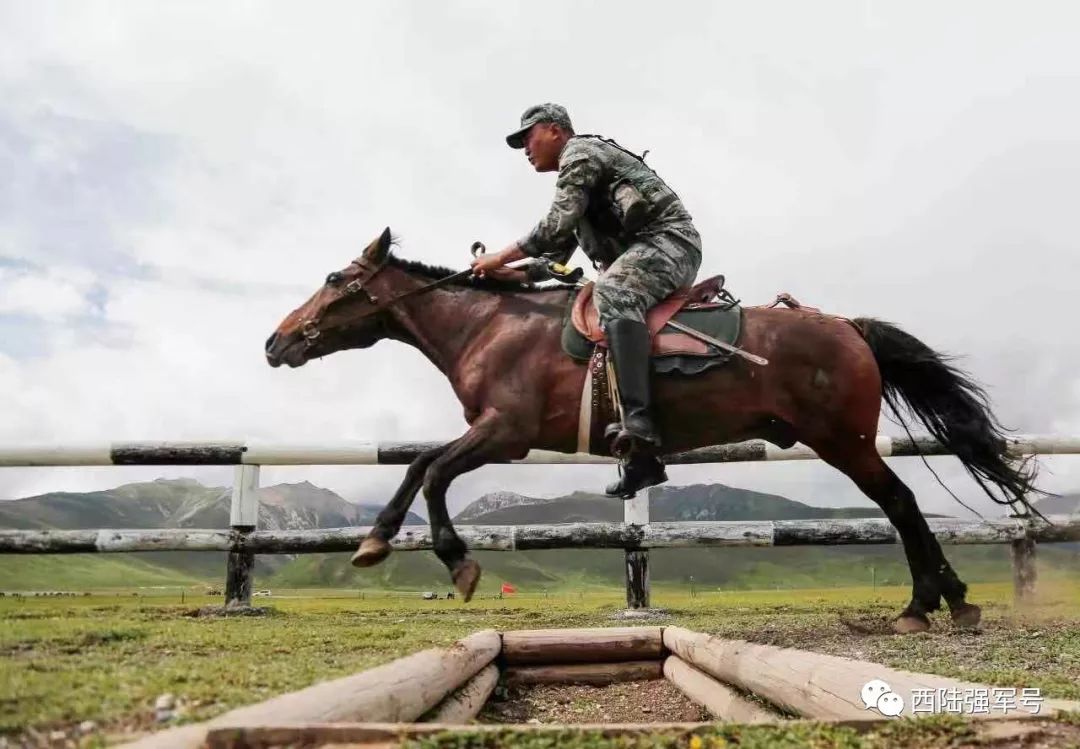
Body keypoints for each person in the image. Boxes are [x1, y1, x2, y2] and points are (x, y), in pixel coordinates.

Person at [471, 103, 702, 497]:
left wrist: (498, 256)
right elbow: (553, 260)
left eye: (528, 137)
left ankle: (640, 423)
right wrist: (511, 275)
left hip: (669, 243)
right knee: (598, 299)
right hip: (645, 252)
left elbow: (552, 227)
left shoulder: (579, 153)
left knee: (612, 290)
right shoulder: (579, 186)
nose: (525, 149)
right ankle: (641, 462)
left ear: (555, 131)